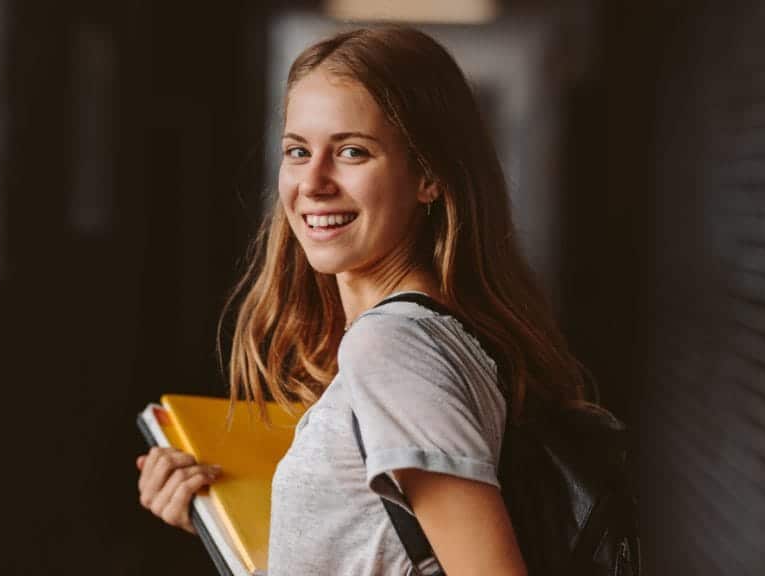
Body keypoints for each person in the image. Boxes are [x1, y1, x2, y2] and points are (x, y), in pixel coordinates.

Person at [137, 26, 589, 575]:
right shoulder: (433, 336)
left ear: (428, 175)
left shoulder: (394, 347)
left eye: (352, 151)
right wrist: (217, 518)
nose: (314, 181)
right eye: (298, 151)